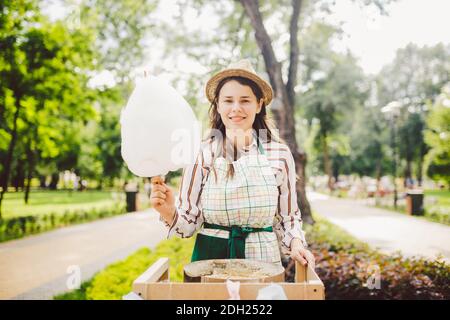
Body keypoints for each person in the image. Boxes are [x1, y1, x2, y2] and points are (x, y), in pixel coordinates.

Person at [150, 59, 315, 268]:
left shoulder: (279, 154)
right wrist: (167, 209)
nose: (236, 108)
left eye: (245, 100)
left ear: (259, 105)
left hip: (263, 262)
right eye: (228, 100)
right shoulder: (200, 154)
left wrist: (297, 245)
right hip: (210, 264)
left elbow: (288, 218)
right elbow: (188, 226)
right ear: (218, 105)